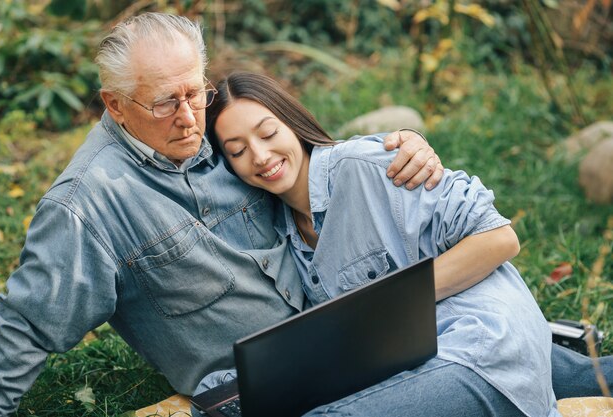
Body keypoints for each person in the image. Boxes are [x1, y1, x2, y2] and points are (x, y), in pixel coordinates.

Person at [0, 13, 443, 416]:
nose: (188, 118)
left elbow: (303, 159)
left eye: (194, 92)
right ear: (116, 105)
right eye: (166, 102)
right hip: (254, 396)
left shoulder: (223, 129)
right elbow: (26, 326)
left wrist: (397, 145)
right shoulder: (86, 205)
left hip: (354, 333)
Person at [206, 72, 613, 416]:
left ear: (292, 122)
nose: (260, 156)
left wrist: (389, 305)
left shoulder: (371, 166)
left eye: (268, 133)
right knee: (587, 376)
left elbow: (500, 237)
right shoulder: (282, 230)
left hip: (480, 343)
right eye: (238, 151)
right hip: (416, 357)